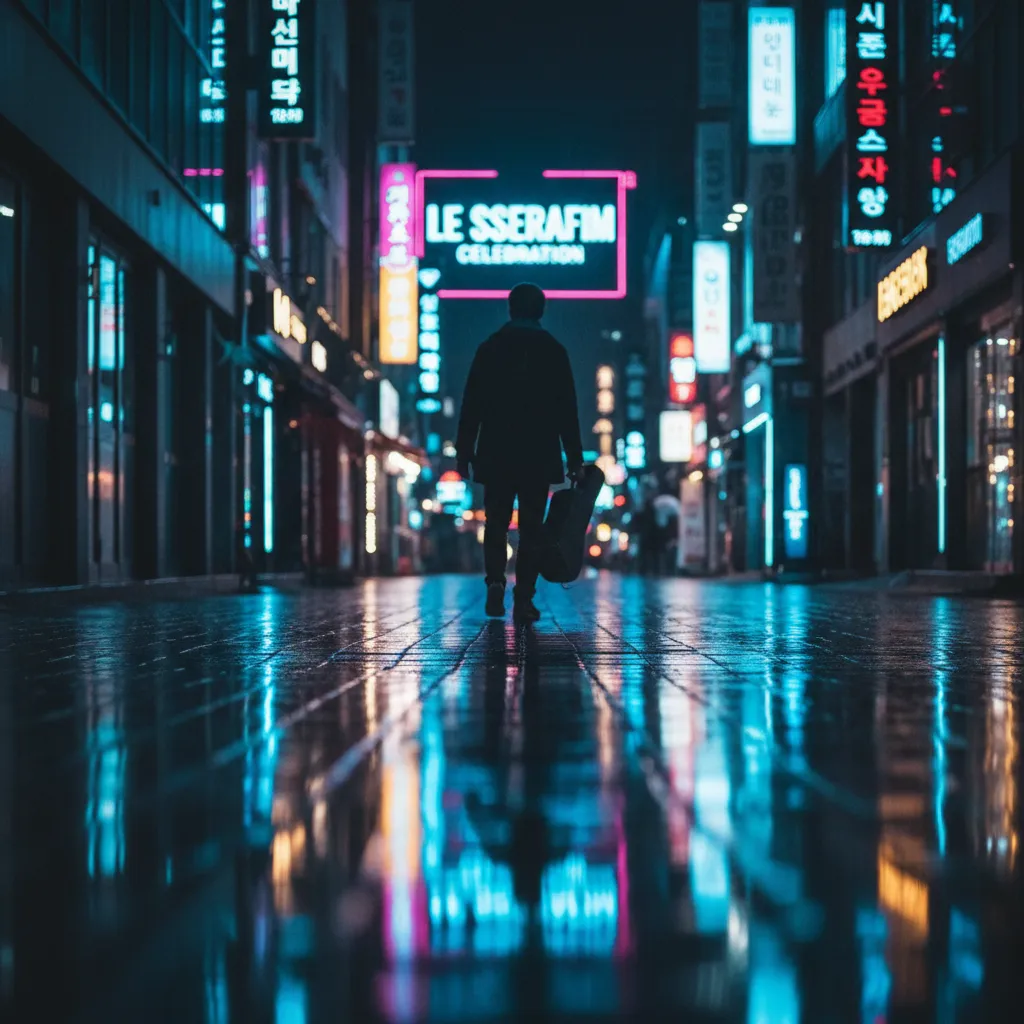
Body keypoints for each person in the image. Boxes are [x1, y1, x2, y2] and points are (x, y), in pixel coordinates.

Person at [456, 282, 583, 623]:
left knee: (495, 522)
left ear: (510, 309)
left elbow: (472, 404)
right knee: (531, 528)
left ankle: (495, 582)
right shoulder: (554, 350)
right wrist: (574, 459)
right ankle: (524, 597)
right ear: (541, 311)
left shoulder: (491, 348)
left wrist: (464, 450)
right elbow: (566, 410)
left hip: (496, 452)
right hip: (538, 454)